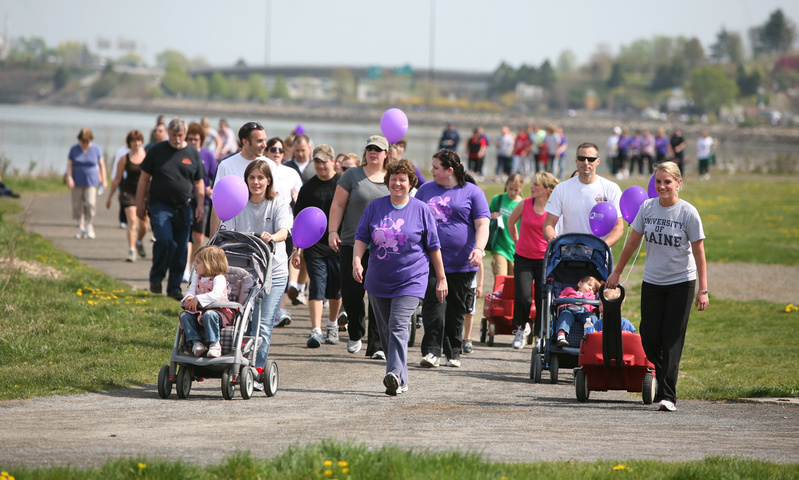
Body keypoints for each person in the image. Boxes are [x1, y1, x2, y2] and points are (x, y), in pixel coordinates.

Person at [606, 161, 709, 412]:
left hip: (681, 283)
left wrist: (703, 289)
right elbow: (631, 243)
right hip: (652, 281)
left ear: (678, 183)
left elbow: (699, 251)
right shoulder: (647, 208)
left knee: (672, 339)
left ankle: (667, 396)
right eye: (658, 182)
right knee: (650, 338)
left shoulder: (688, 213)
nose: (662, 186)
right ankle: (664, 380)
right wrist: (617, 271)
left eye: (667, 182)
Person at [354, 158, 447, 395]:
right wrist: (357, 260)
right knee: (386, 331)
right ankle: (401, 379)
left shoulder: (421, 210)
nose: (397, 183)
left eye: (402, 180)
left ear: (411, 182)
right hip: (378, 279)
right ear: (388, 182)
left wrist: (442, 277)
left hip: (411, 278)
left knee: (397, 325)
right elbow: (362, 237)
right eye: (393, 179)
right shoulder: (375, 207)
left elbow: (433, 246)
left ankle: (393, 373)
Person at [415, 148, 489, 368]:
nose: (432, 171)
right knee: (433, 305)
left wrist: (479, 249)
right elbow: (413, 218)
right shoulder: (425, 190)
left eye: (436, 167)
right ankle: (431, 352)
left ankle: (453, 352)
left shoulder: (473, 192)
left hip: (462, 263)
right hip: (429, 261)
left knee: (456, 309)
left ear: (449, 170)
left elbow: (483, 224)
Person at [221, 159, 292, 388]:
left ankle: (257, 370)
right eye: (252, 177)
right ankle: (238, 366)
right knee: (242, 321)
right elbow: (226, 228)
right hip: (243, 271)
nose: (256, 182)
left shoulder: (277, 203)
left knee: (261, 324)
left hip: (274, 272)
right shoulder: (239, 203)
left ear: (268, 180)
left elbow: (284, 230)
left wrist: (272, 237)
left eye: (260, 177)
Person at [328, 135, 390, 358]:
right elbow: (337, 204)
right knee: (352, 294)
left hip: (382, 247)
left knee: (378, 295)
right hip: (351, 243)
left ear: (386, 154)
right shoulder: (352, 175)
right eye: (370, 148)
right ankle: (355, 332)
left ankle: (377, 345)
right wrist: (333, 231)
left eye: (378, 149)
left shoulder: (392, 178)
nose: (374, 152)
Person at [136, 118, 205, 300]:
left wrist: (200, 205)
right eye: (173, 135)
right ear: (168, 133)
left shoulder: (192, 153)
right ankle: (156, 278)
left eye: (180, 135)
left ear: (185, 134)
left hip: (184, 207)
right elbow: (144, 179)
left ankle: (174, 287)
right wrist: (139, 204)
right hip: (160, 206)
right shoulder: (156, 151)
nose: (176, 138)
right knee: (165, 241)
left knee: (181, 248)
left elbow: (198, 183)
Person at [293, 145, 343, 348]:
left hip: (338, 244)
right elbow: (299, 219)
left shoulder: (342, 184)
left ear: (333, 161)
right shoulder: (308, 188)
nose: (321, 165)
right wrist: (298, 249)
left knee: (335, 289)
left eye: (324, 161)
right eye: (317, 162)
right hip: (314, 246)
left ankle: (332, 325)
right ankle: (316, 330)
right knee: (317, 286)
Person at [507, 172, 559, 350]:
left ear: (546, 190)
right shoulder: (525, 204)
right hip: (523, 258)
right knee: (523, 296)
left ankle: (540, 335)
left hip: (544, 260)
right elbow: (511, 223)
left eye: (536, 184)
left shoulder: (554, 209)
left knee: (542, 298)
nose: (531, 186)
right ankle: (522, 327)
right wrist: (517, 241)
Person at [543, 142, 624, 247]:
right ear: (576, 160)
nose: (586, 162)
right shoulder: (561, 189)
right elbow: (549, 224)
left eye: (591, 159)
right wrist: (552, 238)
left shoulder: (611, 188)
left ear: (598, 161)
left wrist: (602, 247)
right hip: (568, 255)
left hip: (598, 257)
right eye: (582, 158)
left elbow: (618, 227)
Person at [209, 122, 277, 235]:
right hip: (234, 233)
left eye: (265, 140)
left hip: (262, 234)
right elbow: (217, 206)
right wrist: (212, 241)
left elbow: (274, 200)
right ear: (245, 142)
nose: (265, 145)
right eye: (259, 141)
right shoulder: (226, 165)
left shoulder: (270, 165)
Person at [265, 136, 303, 327]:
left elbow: (301, 198)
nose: (277, 153)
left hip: (285, 226)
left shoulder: (291, 172)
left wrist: (296, 199)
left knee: (281, 269)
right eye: (273, 149)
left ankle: (280, 310)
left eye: (280, 150)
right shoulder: (260, 169)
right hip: (263, 225)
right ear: (266, 151)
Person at [179, 245, 235, 358]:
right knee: (184, 315)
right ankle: (196, 343)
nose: (194, 264)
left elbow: (216, 295)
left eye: (198, 262)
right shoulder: (197, 277)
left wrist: (198, 299)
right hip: (199, 311)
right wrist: (189, 298)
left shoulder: (219, 279)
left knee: (209, 315)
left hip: (218, 313)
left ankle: (215, 344)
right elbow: (191, 291)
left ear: (210, 264)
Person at [106, 129, 148, 261]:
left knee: (144, 225)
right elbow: (117, 179)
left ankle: (139, 241)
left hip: (143, 194)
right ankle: (132, 250)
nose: (136, 143)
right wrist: (109, 197)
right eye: (133, 141)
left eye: (138, 140)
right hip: (128, 193)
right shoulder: (124, 159)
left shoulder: (146, 156)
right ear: (129, 143)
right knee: (132, 222)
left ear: (142, 142)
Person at [184, 122, 219, 281]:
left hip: (203, 201)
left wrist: (210, 189)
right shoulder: (183, 154)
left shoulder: (208, 156)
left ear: (201, 140)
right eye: (190, 139)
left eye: (196, 139)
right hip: (185, 200)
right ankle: (185, 268)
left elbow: (216, 177)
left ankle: (193, 265)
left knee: (198, 237)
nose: (193, 142)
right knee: (186, 236)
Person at [67, 127, 107, 240]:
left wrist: (104, 180)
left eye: (87, 141)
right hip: (77, 182)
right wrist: (70, 178)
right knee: (77, 206)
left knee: (90, 203)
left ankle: (89, 224)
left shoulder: (96, 149)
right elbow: (70, 165)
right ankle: (81, 227)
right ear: (79, 140)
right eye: (83, 141)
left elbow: (102, 165)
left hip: (91, 182)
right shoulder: (74, 149)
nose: (85, 143)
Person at [489, 174, 523, 276]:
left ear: (521, 189)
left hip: (515, 247)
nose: (512, 192)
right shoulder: (497, 199)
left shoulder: (523, 203)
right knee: (501, 276)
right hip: (499, 246)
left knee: (513, 282)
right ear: (506, 185)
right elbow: (484, 216)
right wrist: (491, 215)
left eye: (516, 190)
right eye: (510, 189)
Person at [553, 275, 601, 346]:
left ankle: (591, 337)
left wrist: (593, 312)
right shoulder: (568, 290)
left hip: (584, 312)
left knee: (592, 318)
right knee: (565, 316)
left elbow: (593, 307)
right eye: (589, 285)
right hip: (569, 309)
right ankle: (561, 336)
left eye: (593, 289)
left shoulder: (591, 296)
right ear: (579, 283)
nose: (591, 289)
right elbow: (560, 299)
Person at [461, 261, 483, 354]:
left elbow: (480, 263)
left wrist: (480, 285)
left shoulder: (475, 246)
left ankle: (467, 339)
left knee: (469, 313)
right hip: (455, 280)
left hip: (471, 284)